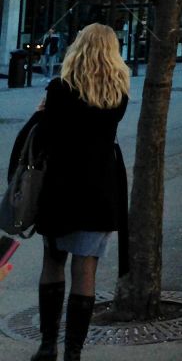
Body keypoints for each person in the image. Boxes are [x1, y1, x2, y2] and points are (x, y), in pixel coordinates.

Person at [8, 23, 129, 361]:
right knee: (86, 269)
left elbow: (41, 137)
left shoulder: (60, 91)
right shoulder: (118, 96)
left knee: (53, 261)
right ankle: (73, 351)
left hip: (60, 189)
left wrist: (39, 114)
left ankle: (47, 345)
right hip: (99, 191)